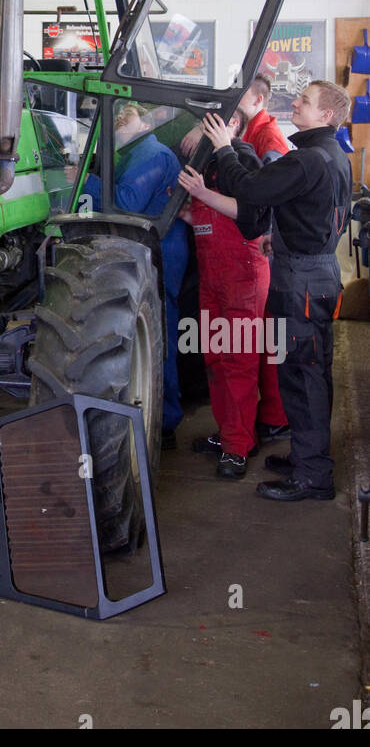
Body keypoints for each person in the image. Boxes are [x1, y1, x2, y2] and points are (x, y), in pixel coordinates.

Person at [197, 81, 352, 502]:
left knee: (304, 378)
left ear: (326, 116)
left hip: (303, 280)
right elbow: (319, 214)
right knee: (302, 372)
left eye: (305, 100)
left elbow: (250, 191)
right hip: (311, 271)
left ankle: (313, 476)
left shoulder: (307, 159)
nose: (296, 103)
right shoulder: (332, 155)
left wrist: (224, 148)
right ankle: (306, 460)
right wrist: (280, 238)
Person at [177, 109, 282, 478]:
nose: (205, 131)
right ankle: (231, 434)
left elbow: (252, 216)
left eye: (213, 124)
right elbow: (208, 216)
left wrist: (202, 194)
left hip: (242, 274)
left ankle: (238, 446)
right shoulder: (203, 160)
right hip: (213, 276)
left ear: (231, 124)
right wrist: (188, 214)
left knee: (238, 361)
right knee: (215, 358)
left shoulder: (244, 158)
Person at [83, 103, 189, 445]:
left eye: (122, 121)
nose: (118, 129)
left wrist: (85, 179)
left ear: (140, 121)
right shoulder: (136, 152)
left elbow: (127, 200)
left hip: (160, 250)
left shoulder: (152, 154)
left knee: (159, 330)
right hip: (148, 246)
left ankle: (166, 419)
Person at [180, 73, 289, 165]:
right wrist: (202, 128)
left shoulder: (271, 138)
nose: (233, 99)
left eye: (240, 94)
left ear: (258, 100)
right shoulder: (238, 121)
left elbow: (273, 182)